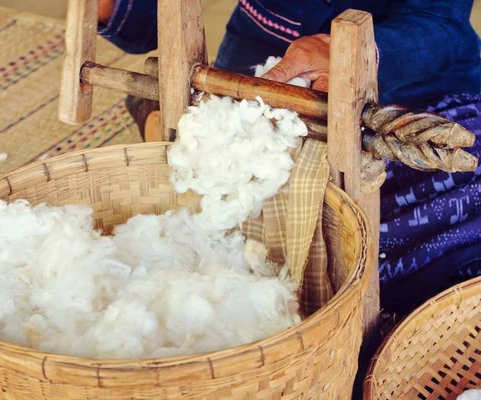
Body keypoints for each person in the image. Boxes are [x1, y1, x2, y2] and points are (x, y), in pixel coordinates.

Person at [96, 0, 481, 314]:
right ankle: (166, 114)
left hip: (417, 89)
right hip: (262, 84)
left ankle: (162, 116)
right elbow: (151, 18)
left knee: (393, 230)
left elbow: (441, 21)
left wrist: (355, 54)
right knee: (284, 234)